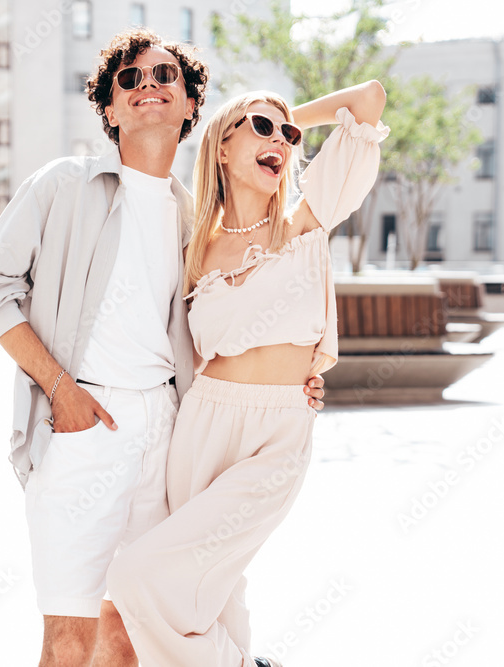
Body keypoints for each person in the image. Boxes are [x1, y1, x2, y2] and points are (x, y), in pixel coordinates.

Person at [0, 29, 326, 667]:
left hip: (170, 434)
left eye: (163, 75)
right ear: (110, 107)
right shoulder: (64, 185)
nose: (146, 84)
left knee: (137, 632)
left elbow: (226, 328)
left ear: (189, 107)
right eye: (128, 79)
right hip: (82, 425)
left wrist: (293, 380)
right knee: (70, 641)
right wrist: (61, 391)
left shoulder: (196, 219)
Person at [106, 82, 390, 667]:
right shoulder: (191, 246)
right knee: (214, 596)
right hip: (204, 421)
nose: (282, 141)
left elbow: (369, 100)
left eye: (288, 136)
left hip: (279, 431)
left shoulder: (305, 224)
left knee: (136, 576)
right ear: (222, 147)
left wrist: (287, 115)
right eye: (262, 128)